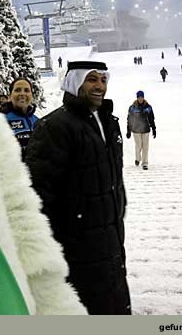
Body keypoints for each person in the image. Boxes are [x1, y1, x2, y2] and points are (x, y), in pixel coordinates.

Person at [26, 61, 131, 314]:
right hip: (75, 252)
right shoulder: (54, 127)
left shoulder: (109, 123)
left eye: (103, 80)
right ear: (75, 82)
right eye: (91, 79)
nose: (99, 86)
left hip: (112, 241)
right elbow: (37, 197)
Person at [0, 77, 38, 161]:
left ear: (31, 95)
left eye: (26, 90)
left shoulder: (38, 121)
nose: (22, 94)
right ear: (10, 96)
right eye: (17, 90)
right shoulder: (0, 121)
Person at [126, 91, 156, 171]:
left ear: (143, 97)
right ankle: (137, 159)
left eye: (141, 97)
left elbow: (151, 118)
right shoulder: (132, 107)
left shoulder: (148, 107)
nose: (140, 99)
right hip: (136, 129)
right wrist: (128, 130)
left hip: (146, 129)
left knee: (145, 147)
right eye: (139, 97)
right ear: (137, 98)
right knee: (138, 145)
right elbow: (129, 119)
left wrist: (154, 128)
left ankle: (145, 163)